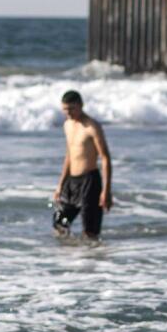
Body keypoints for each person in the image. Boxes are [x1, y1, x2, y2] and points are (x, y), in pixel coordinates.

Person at [52, 90, 113, 239]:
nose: (68, 113)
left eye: (71, 109)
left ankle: (91, 258)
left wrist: (106, 191)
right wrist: (61, 184)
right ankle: (69, 255)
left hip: (90, 182)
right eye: (65, 109)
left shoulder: (92, 127)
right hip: (72, 182)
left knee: (90, 231)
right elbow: (69, 155)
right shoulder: (67, 125)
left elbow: (105, 158)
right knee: (59, 223)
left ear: (80, 105)